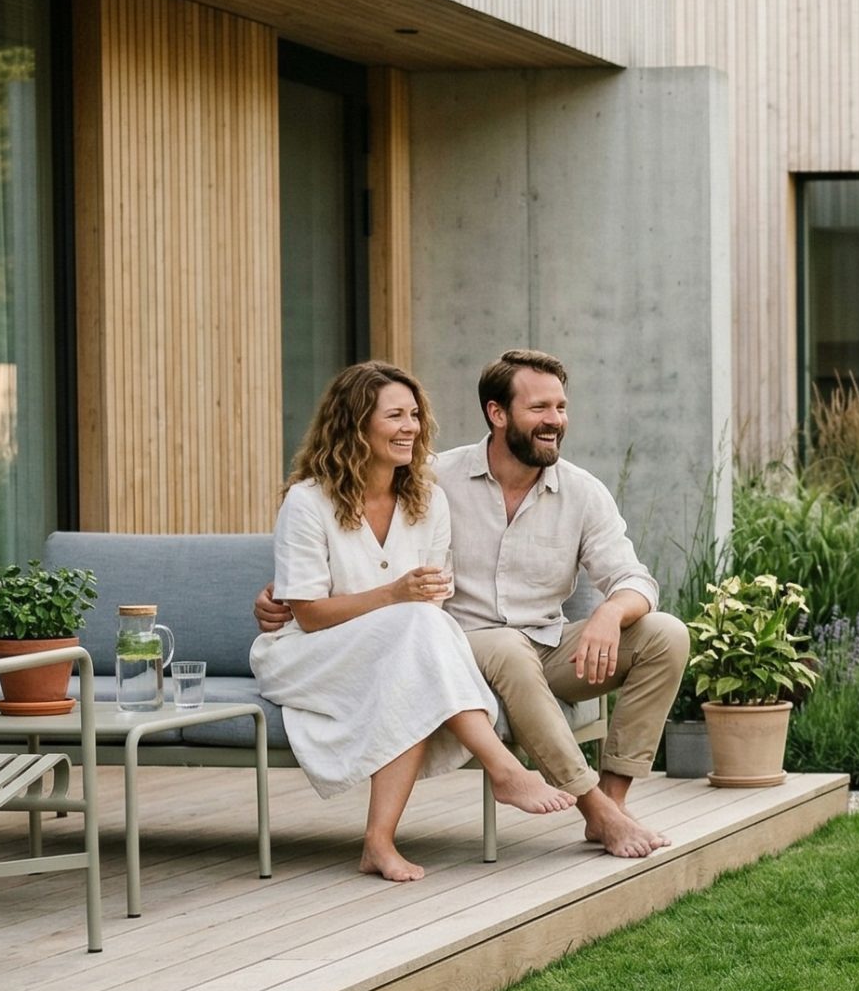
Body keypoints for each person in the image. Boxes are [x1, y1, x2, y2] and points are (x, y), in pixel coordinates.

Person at [259, 349, 689, 859]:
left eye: (561, 407)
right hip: (466, 646)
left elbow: (634, 577)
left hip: (545, 647)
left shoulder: (574, 492)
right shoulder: (437, 478)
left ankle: (611, 805)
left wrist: (609, 613)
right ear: (497, 413)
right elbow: (336, 569)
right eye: (539, 409)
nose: (555, 421)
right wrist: (277, 595)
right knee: (506, 646)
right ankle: (590, 804)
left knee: (666, 633)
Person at [254, 362, 576, 884]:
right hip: (308, 655)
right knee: (415, 631)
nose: (411, 427)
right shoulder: (308, 501)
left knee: (414, 651)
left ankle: (378, 843)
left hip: (395, 649)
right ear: (356, 424)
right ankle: (505, 770)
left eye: (415, 415)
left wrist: (407, 602)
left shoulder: (427, 502)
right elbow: (309, 615)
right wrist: (394, 595)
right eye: (395, 416)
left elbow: (431, 605)